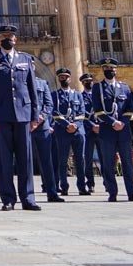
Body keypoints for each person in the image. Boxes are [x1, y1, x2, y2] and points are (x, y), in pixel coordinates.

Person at [0, 25, 41, 211]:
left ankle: (28, 198)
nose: (7, 38)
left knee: (25, 158)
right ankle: (7, 198)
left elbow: (32, 88)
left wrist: (35, 116)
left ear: (16, 39)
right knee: (4, 159)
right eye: (3, 36)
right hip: (2, 115)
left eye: (10, 36)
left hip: (23, 114)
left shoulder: (25, 59)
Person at [92, 58, 133, 203]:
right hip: (107, 130)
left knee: (127, 163)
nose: (110, 70)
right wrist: (112, 122)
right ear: (103, 70)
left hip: (123, 131)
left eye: (112, 68)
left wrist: (122, 122)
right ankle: (112, 192)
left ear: (116, 70)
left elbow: (130, 108)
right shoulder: (97, 88)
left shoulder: (124, 87)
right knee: (108, 163)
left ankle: (132, 192)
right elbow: (98, 110)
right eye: (106, 68)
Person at [52, 68, 88, 197]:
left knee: (80, 160)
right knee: (63, 160)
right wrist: (67, 125)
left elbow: (82, 112)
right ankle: (64, 186)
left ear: (70, 78)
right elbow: (54, 113)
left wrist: (75, 126)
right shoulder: (54, 95)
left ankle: (82, 187)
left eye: (66, 77)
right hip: (62, 131)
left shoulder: (77, 94)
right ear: (59, 79)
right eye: (61, 77)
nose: (64, 79)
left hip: (78, 132)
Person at [32, 74, 63, 202]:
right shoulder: (17, 81)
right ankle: (27, 195)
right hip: (25, 126)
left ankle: (52, 192)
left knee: (47, 161)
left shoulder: (42, 83)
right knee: (24, 162)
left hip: (42, 126)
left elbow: (49, 104)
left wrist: (42, 117)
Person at [79, 72, 98, 192]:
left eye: (90, 81)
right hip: (88, 131)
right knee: (88, 158)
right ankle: (90, 183)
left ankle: (108, 182)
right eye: (86, 81)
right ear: (82, 83)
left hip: (101, 129)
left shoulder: (99, 95)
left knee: (105, 157)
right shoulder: (80, 97)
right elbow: (81, 115)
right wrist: (92, 125)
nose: (89, 83)